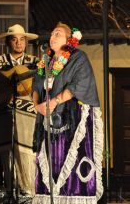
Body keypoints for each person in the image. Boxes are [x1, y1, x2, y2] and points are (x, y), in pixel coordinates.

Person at [32, 22, 103, 203]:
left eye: (58, 34)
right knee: (50, 162)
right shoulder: (45, 62)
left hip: (72, 118)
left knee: (71, 162)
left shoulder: (78, 57)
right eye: (52, 34)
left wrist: (54, 101)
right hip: (48, 120)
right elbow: (36, 86)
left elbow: (79, 84)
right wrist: (36, 105)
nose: (52, 37)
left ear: (69, 40)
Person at [0, 24, 38, 203]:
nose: (18, 43)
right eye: (14, 39)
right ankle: (4, 191)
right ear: (8, 42)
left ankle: (27, 191)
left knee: (28, 155)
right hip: (2, 118)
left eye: (22, 39)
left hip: (28, 119)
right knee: (4, 156)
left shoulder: (36, 63)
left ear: (26, 42)